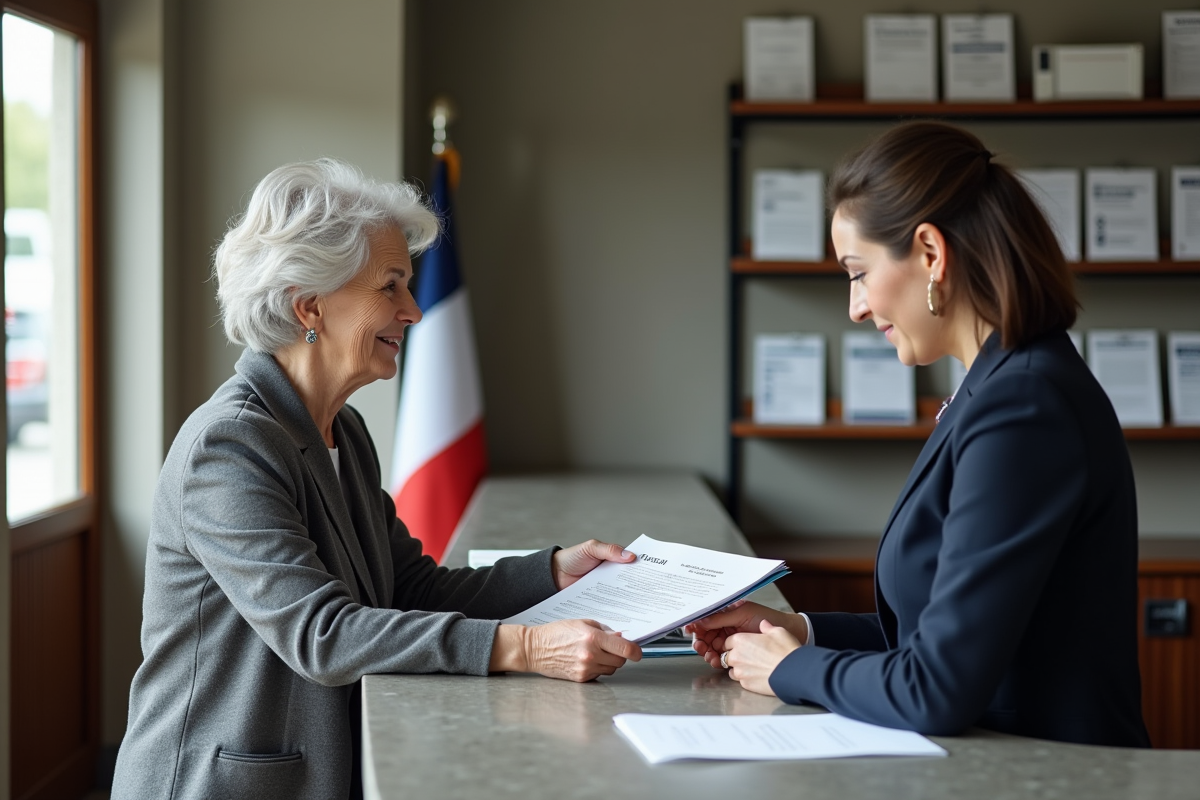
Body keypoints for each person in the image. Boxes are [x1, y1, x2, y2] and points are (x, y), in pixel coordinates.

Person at [111, 158, 642, 800]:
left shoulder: (344, 431)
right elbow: (323, 634)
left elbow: (407, 586)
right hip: (215, 783)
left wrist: (553, 572)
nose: (414, 311)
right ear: (309, 306)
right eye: (390, 287)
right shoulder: (229, 447)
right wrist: (525, 648)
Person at [689, 122, 1150, 748]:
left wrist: (790, 670)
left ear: (931, 254)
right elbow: (939, 636)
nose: (853, 307)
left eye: (857, 272)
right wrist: (796, 630)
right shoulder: (998, 385)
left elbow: (935, 688)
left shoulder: (1024, 406)